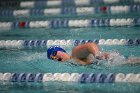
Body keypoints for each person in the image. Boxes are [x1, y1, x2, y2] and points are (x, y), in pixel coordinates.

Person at [47, 42, 140, 65]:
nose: (55, 57)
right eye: (52, 58)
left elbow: (89, 45)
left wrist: (97, 54)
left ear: (62, 50)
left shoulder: (74, 54)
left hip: (114, 60)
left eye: (54, 53)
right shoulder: (72, 62)